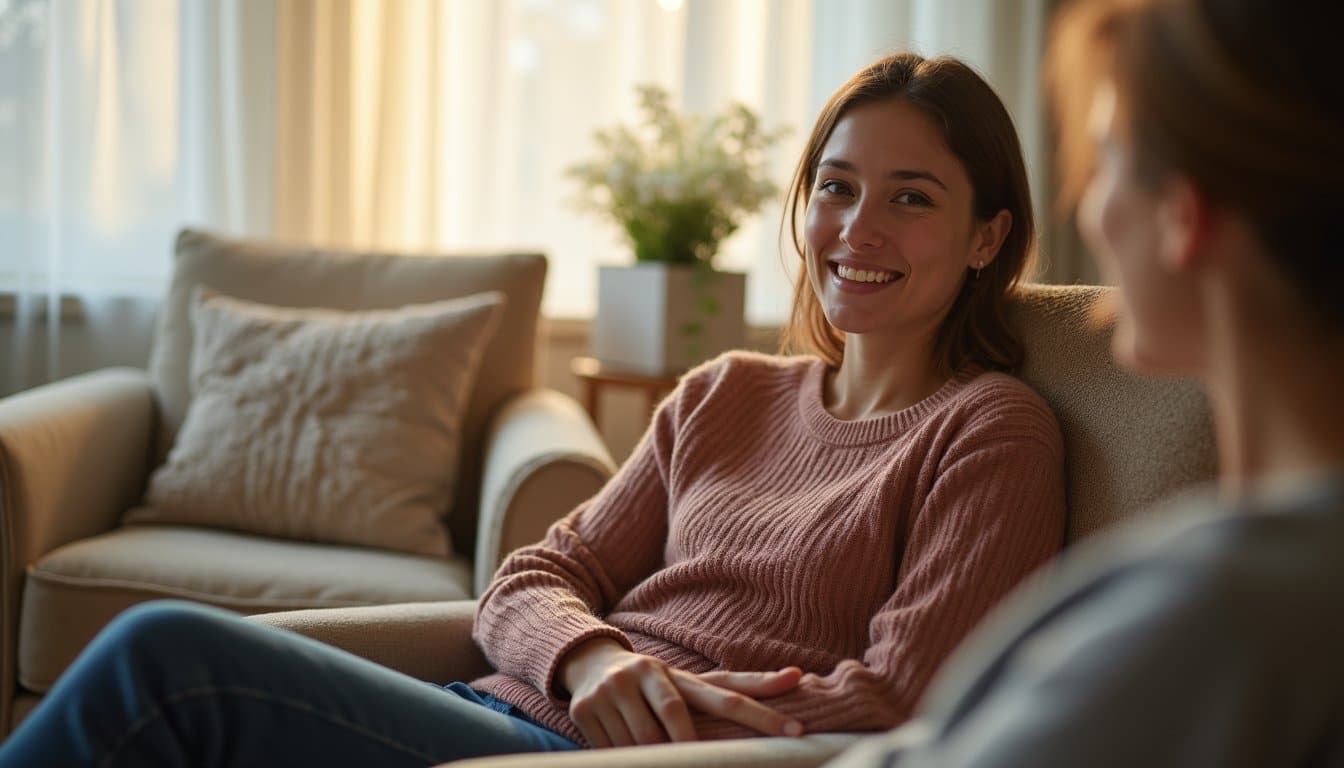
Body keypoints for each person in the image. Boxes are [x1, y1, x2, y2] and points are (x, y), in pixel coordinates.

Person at [0, 53, 1066, 767]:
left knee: (166, 662)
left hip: (593, 760)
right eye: (835, 187)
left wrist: (653, 711)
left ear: (987, 236)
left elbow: (907, 698)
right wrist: (593, 658)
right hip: (498, 708)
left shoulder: (988, 430)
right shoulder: (726, 391)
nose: (855, 227)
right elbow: (533, 576)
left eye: (911, 197)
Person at [826, 1, 1344, 767]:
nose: (1086, 211)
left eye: (1103, 163)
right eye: (836, 185)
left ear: (1183, 214)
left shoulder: (1212, 612)